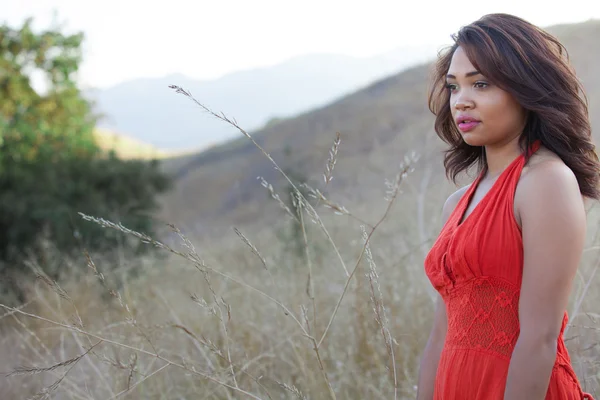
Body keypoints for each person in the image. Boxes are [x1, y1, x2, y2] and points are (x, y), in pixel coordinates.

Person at [417, 13, 599, 400]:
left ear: (525, 89)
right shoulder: (456, 204)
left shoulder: (546, 182)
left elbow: (540, 338)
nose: (461, 101)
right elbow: (439, 337)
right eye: (453, 87)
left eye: (480, 84)